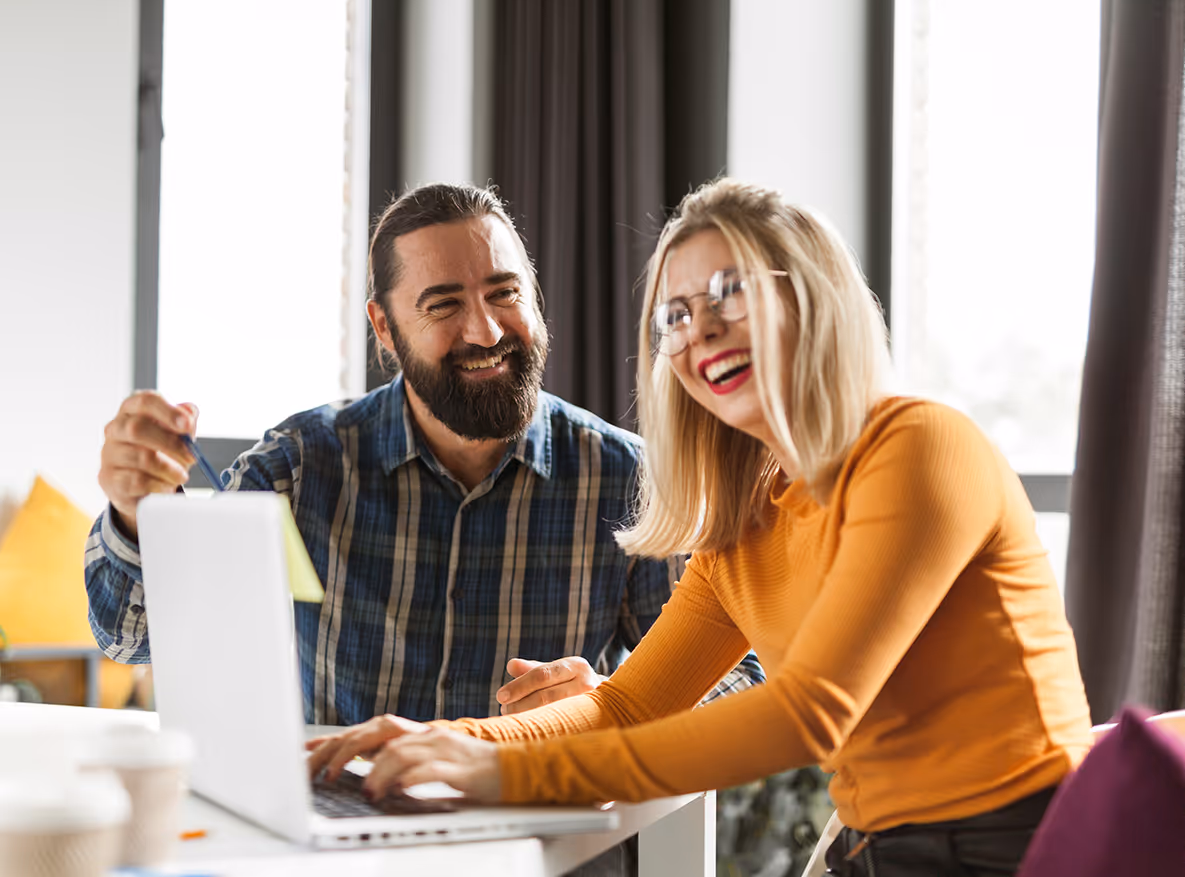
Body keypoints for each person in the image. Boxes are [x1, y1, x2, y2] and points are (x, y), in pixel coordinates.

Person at [306, 179, 1095, 877]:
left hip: (1015, 846)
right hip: (875, 847)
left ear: (810, 295)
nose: (699, 330)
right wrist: (443, 740)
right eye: (674, 315)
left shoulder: (919, 447)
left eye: (729, 291)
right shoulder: (742, 523)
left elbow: (807, 710)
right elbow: (624, 705)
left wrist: (501, 774)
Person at [84, 182, 765, 732]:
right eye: (443, 305)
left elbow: (740, 680)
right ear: (384, 327)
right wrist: (134, 510)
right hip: (346, 844)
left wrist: (614, 699)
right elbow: (133, 637)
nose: (487, 330)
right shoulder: (299, 466)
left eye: (503, 292)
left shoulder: (630, 479)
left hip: (539, 841)